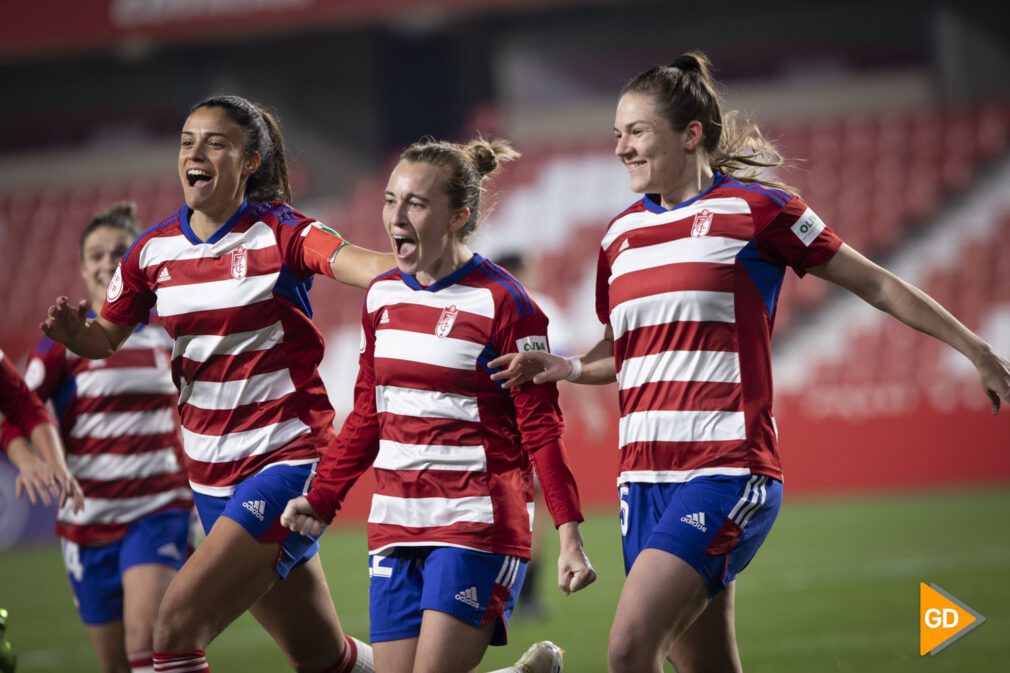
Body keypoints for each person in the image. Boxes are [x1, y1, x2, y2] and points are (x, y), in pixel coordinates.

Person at [489, 51, 1010, 673]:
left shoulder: (760, 211)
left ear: (691, 134)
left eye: (637, 131)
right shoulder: (618, 237)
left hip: (727, 467)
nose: (622, 147)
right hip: (642, 481)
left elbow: (875, 284)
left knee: (629, 649)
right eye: (617, 135)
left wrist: (975, 347)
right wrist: (570, 368)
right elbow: (626, 352)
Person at [40, 95, 394, 673]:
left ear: (250, 160)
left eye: (215, 142)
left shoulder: (283, 232)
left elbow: (357, 262)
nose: (195, 153)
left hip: (288, 458)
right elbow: (106, 337)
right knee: (323, 657)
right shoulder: (152, 252)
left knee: (174, 628)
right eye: (186, 141)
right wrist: (74, 336)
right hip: (209, 475)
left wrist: (428, 264)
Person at [281, 137, 596, 673]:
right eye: (389, 200)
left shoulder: (507, 304)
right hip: (395, 523)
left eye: (416, 203)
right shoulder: (381, 296)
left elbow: (542, 429)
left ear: (458, 217)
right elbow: (368, 415)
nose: (395, 217)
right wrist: (324, 496)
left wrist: (569, 535)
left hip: (477, 524)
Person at [2, 203, 195, 673]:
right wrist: (28, 459)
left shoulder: (168, 330)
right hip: (87, 522)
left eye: (118, 252)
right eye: (95, 254)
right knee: (116, 666)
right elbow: (16, 410)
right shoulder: (59, 342)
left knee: (145, 641)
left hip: (159, 509)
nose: (107, 261)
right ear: (82, 265)